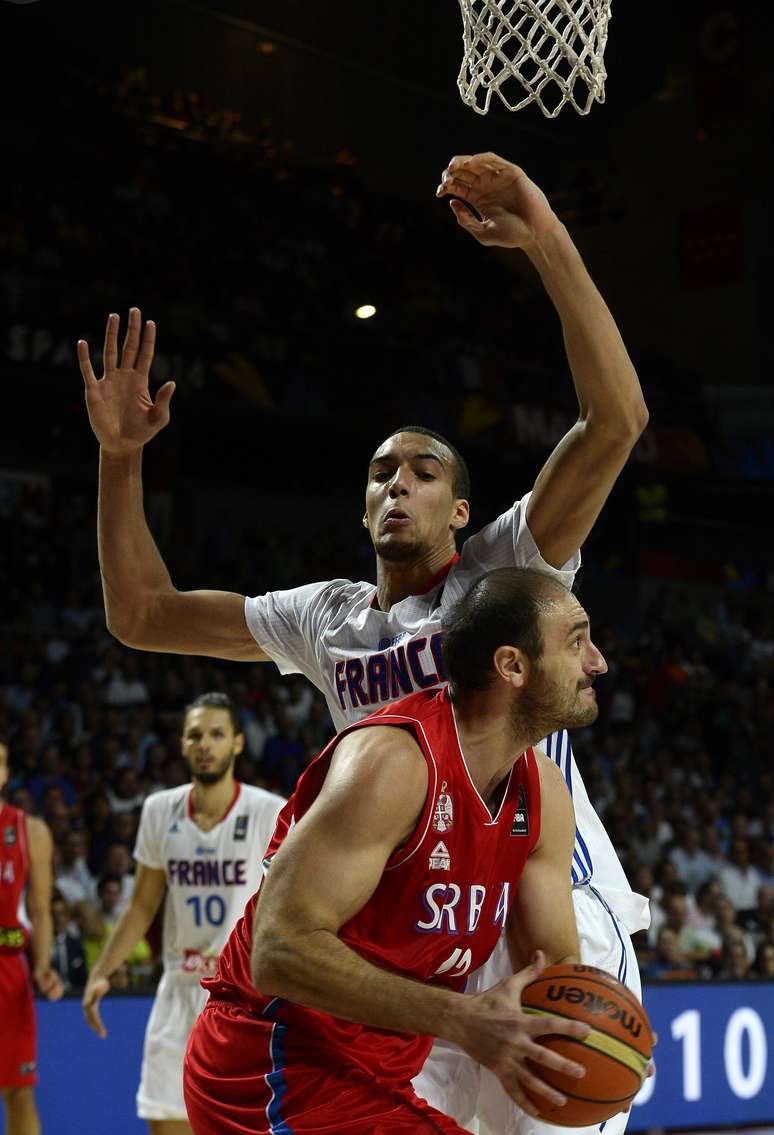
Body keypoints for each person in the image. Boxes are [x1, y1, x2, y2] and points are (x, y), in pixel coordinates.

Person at [78, 150, 650, 1135]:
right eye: (381, 469)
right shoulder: (325, 616)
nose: (395, 480)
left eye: (422, 469)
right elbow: (142, 612)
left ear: (463, 508)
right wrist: (120, 461)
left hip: (539, 897)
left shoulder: (506, 572)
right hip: (411, 941)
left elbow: (616, 422)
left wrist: (546, 240)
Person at [184, 568, 614, 1134]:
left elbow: (552, 965)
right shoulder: (394, 762)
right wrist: (463, 1019)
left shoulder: (544, 797)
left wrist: (602, 1033)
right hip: (268, 1063)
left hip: (366, 1079)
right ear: (512, 666)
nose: (598, 662)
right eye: (576, 641)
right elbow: (278, 951)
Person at [81, 694, 284, 1135]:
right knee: (166, 1122)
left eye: (216, 734)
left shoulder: (271, 811)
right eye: (195, 735)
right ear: (182, 745)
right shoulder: (159, 809)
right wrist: (101, 971)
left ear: (237, 744)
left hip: (241, 996)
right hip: (178, 986)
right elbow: (142, 905)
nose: (205, 743)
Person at [0, 739, 64, 1135]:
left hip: (8, 972)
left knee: (19, 1091)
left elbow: (40, 909)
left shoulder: (30, 831)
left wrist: (42, 966)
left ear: (5, 773)